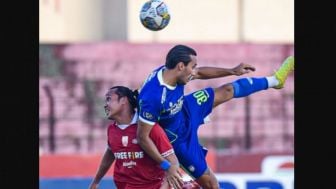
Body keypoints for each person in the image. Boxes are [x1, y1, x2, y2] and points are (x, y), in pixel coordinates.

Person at [136, 44, 294, 189]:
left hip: (185, 109)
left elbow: (199, 73)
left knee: (227, 90)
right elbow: (143, 137)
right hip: (178, 140)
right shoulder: (154, 97)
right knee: (212, 184)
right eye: (192, 67)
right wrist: (166, 165)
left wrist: (232, 71)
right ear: (181, 66)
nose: (194, 71)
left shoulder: (171, 71)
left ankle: (275, 80)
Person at [89, 86, 182, 189]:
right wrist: (96, 182)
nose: (105, 105)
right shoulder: (111, 130)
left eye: (109, 99)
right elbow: (110, 154)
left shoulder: (148, 128)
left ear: (123, 100)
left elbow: (173, 163)